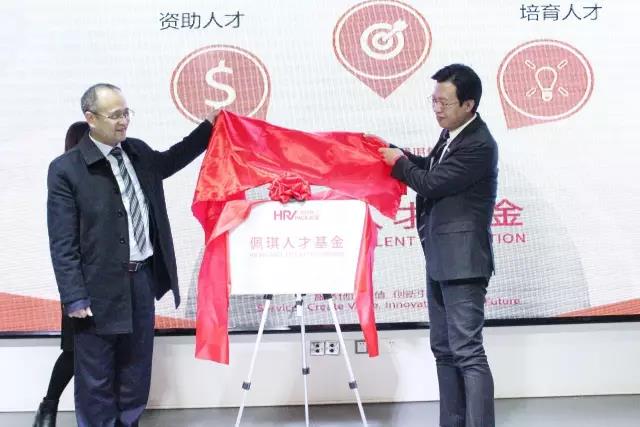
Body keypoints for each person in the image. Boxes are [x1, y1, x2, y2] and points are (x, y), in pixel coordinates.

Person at [47, 83, 218, 426]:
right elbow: (62, 241)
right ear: (91, 118)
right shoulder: (67, 169)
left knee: (136, 367)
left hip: (141, 279)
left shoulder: (137, 152)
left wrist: (208, 128)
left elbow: (172, 159)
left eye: (126, 113)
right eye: (115, 115)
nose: (123, 121)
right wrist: (74, 297)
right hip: (96, 288)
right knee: (96, 376)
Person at [379, 64, 498, 427]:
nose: (437, 109)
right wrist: (393, 152)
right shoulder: (451, 136)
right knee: (444, 350)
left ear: (469, 104)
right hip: (441, 260)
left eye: (444, 102)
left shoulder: (478, 144)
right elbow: (429, 168)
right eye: (433, 101)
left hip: (463, 264)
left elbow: (431, 184)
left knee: (468, 353)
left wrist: (399, 164)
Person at [34, 121, 90, 427]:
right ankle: (48, 408)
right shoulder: (66, 178)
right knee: (73, 352)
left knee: (84, 354)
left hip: (104, 280)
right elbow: (63, 242)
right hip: (76, 283)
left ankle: (51, 408)